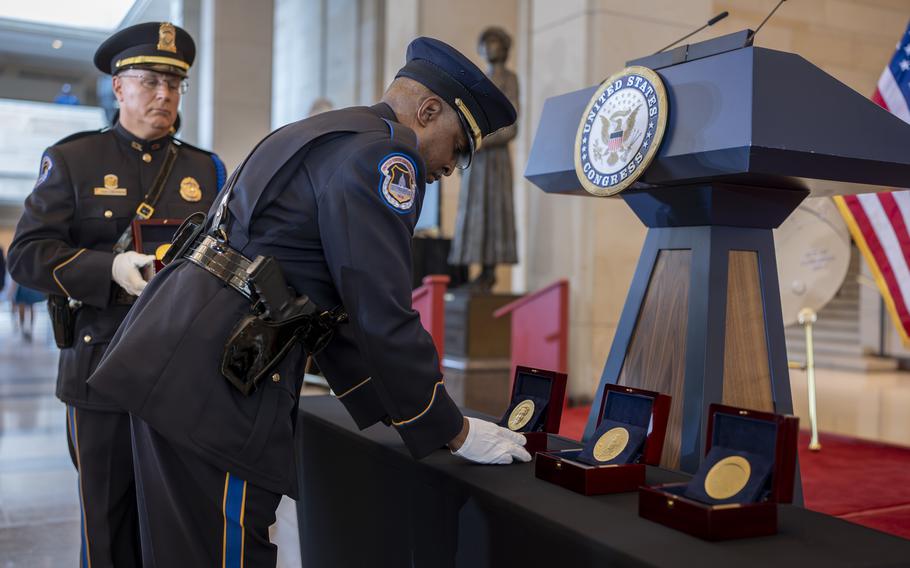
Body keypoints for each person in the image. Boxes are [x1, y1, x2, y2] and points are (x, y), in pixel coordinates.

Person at [88, 36, 530, 567]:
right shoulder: (386, 155)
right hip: (220, 388)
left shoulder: (320, 132)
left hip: (172, 362)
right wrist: (452, 429)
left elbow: (328, 307)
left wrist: (408, 413)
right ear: (428, 110)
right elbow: (379, 311)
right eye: (457, 147)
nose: (451, 167)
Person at [7, 22, 224, 568]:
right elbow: (28, 255)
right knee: (106, 520)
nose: (164, 95)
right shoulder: (74, 159)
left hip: (180, 372)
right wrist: (109, 267)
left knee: (179, 517)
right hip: (99, 364)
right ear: (118, 87)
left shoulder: (206, 168)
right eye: (150, 81)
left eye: (175, 85)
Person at [448, 26, 520, 291]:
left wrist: (478, 141)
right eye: (486, 43)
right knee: (472, 212)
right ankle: (477, 271)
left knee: (492, 212)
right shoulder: (480, 81)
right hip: (477, 159)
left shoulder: (509, 79)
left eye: (495, 43)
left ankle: (489, 272)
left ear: (504, 47)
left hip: (494, 160)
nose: (490, 48)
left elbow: (511, 127)